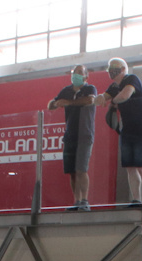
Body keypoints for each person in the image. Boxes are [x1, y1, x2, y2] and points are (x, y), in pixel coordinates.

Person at [48, 64, 98, 211]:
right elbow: (51, 104)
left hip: (84, 134)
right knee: (72, 171)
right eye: (74, 73)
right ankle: (76, 201)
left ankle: (84, 200)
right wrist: (56, 103)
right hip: (70, 135)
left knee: (81, 169)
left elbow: (90, 100)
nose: (75, 75)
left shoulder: (90, 89)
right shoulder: (66, 90)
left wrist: (69, 102)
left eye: (79, 73)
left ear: (86, 76)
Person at [101, 57, 142, 207]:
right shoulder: (114, 87)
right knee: (130, 166)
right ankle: (136, 199)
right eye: (109, 68)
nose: (111, 71)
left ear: (123, 69)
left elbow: (125, 95)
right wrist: (97, 99)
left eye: (114, 68)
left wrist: (112, 102)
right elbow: (102, 97)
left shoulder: (131, 79)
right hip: (126, 130)